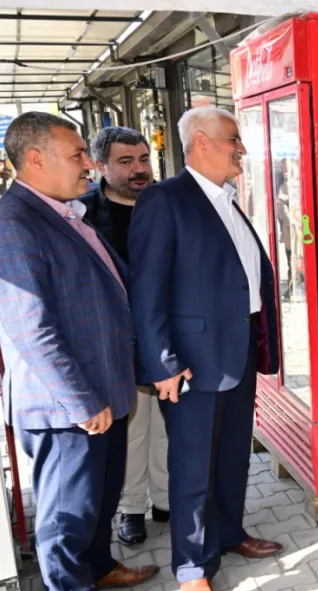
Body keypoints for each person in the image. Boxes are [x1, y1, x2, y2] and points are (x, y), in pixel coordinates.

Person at [0, 112, 157, 591]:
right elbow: (32, 329)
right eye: (77, 156)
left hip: (101, 391)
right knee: (68, 507)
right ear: (36, 159)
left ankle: (96, 566)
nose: (88, 165)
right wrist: (82, 401)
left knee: (99, 495)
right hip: (67, 403)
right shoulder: (15, 223)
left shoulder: (64, 211)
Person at [128, 106, 283, 591]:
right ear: (200, 142)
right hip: (192, 362)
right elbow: (147, 291)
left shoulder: (228, 200)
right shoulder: (164, 200)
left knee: (234, 455)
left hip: (237, 353)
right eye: (232, 139)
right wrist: (162, 363)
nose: (241, 148)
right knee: (192, 468)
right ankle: (193, 568)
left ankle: (229, 532)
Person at [80, 126, 169, 547]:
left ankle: (167, 499)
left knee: (168, 428)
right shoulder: (80, 215)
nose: (139, 170)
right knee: (133, 431)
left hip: (168, 339)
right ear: (100, 166)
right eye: (126, 161)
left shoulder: (170, 202)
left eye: (143, 159)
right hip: (115, 345)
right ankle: (131, 509)